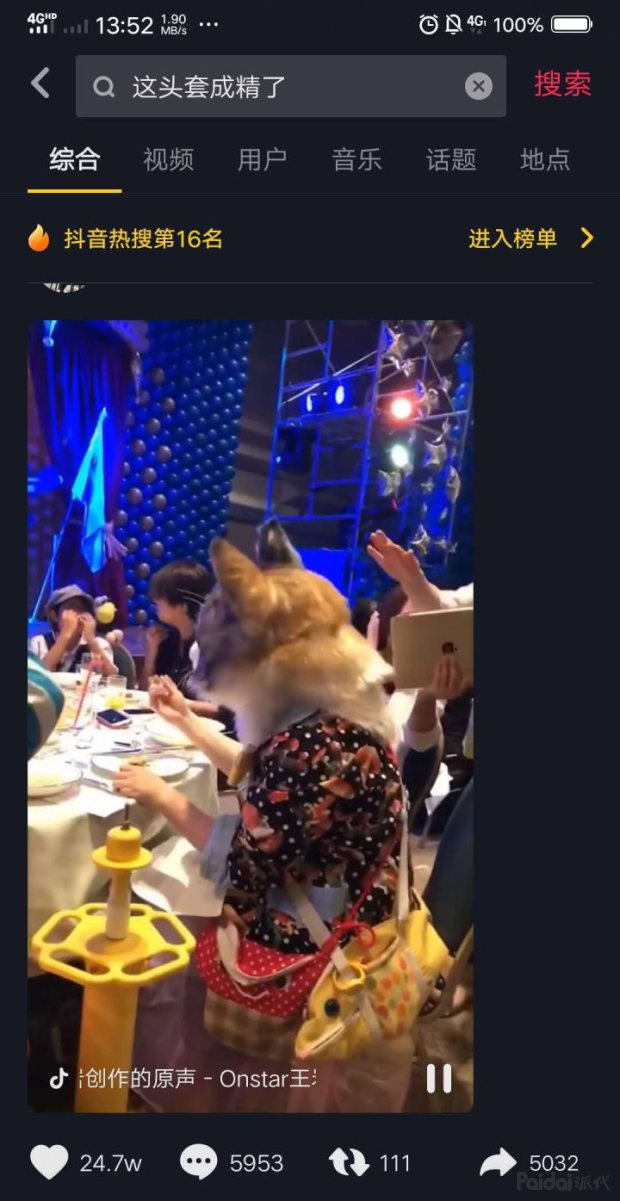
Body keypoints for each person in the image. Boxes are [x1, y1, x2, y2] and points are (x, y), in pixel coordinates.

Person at [142, 560, 217, 705]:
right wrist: (151, 651)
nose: (155, 600)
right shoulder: (168, 640)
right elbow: (146, 691)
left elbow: (222, 710)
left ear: (183, 605)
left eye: (161, 595)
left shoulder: (211, 647)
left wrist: (179, 704)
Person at [29, 585, 116, 676]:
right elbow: (38, 676)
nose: (77, 615)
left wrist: (91, 641)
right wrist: (65, 635)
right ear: (54, 616)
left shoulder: (99, 643)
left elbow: (112, 676)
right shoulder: (40, 642)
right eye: (70, 608)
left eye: (82, 609)